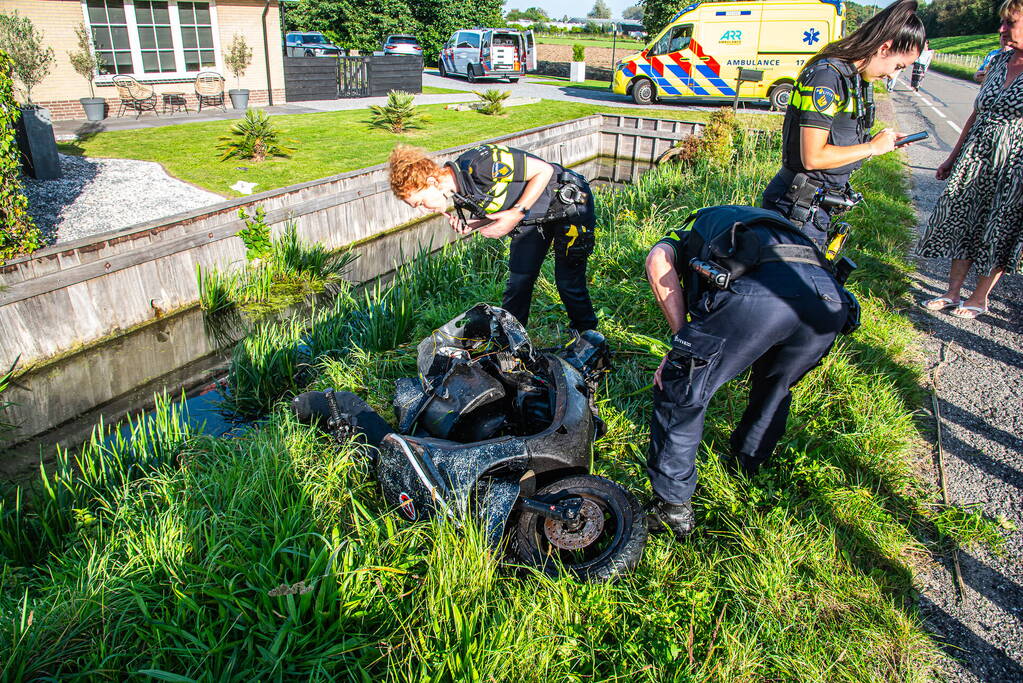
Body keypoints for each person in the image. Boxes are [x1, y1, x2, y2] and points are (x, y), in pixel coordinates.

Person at [644, 205, 854, 539]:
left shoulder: (692, 232)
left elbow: (658, 261)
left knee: (682, 390)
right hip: (829, 302)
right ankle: (747, 465)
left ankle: (671, 507)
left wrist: (681, 343)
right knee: (776, 385)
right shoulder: (765, 226)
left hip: (761, 301)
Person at [762, 0, 925, 249]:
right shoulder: (827, 77)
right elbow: (812, 157)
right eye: (898, 66)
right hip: (796, 208)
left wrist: (880, 142)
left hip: (817, 208)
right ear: (884, 48)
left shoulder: (855, 79)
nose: (893, 75)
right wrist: (871, 147)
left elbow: (840, 138)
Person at [388, 145, 597, 332]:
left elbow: (544, 170)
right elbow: (499, 210)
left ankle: (587, 336)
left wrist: (517, 213)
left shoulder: (482, 164)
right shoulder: (462, 192)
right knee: (518, 282)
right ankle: (511, 341)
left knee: (568, 281)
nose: (424, 210)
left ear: (431, 181)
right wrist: (474, 224)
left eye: (421, 203)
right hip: (532, 219)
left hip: (569, 205)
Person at [918, 0, 1023, 320]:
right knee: (963, 220)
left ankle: (979, 298)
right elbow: (977, 112)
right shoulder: (999, 61)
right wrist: (952, 156)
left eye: (1010, 23)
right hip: (976, 155)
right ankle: (951, 292)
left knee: (999, 229)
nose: (1002, 29)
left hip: (1015, 164)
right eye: (1002, 22)